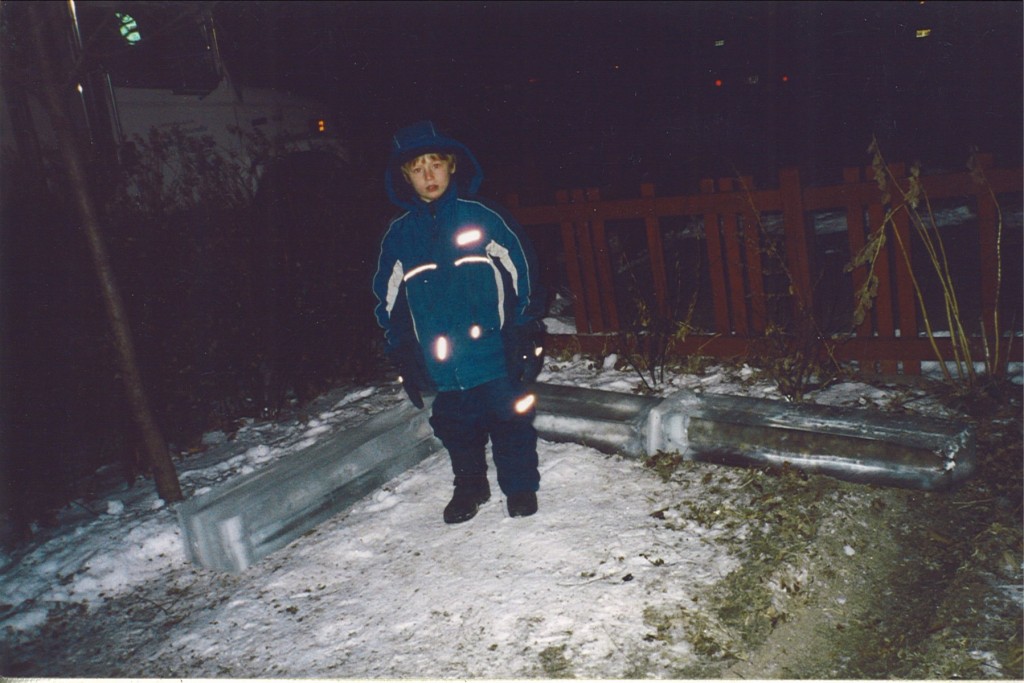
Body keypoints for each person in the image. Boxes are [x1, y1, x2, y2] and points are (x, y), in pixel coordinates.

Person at [372, 121, 546, 524]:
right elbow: (384, 298)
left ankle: (519, 485)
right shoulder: (399, 237)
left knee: (510, 418)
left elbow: (523, 269)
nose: (429, 175)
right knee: (456, 428)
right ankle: (470, 486)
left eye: (436, 164)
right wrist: (400, 351)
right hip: (441, 363)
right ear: (405, 178)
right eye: (418, 168)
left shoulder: (480, 216)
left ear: (452, 166)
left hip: (493, 351)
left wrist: (524, 327)